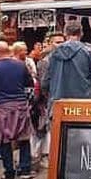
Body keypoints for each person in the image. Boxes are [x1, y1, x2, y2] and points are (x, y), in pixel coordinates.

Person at [0, 41, 36, 179]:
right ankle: (25, 170)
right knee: (24, 137)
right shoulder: (21, 65)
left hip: (1, 106)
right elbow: (30, 84)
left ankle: (9, 173)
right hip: (20, 104)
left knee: (3, 140)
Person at [44, 21, 91, 104]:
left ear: (65, 34)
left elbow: (45, 82)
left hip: (58, 102)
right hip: (81, 103)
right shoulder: (90, 52)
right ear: (81, 33)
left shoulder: (53, 54)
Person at [33, 32, 65, 168]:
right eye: (57, 42)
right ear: (50, 43)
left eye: (62, 42)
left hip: (64, 99)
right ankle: (46, 157)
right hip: (50, 101)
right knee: (48, 131)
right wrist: (48, 98)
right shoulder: (45, 61)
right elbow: (43, 84)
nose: (61, 45)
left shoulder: (66, 59)